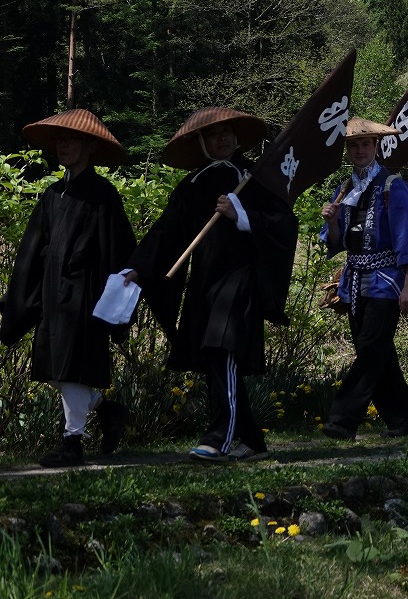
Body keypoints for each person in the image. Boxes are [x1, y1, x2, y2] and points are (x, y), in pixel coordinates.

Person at [125, 107, 298, 462]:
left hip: (241, 279)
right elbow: (165, 232)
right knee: (213, 357)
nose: (222, 139)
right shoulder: (191, 185)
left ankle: (220, 435)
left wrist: (243, 216)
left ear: (237, 138)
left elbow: (284, 225)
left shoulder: (256, 177)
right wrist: (137, 269)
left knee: (223, 349)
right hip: (204, 283)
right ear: (201, 141)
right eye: (214, 134)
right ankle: (251, 439)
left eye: (228, 133)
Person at [1, 110, 135, 468]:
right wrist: (23, 296)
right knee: (58, 368)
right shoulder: (52, 194)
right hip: (52, 295)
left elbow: (119, 249)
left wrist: (115, 298)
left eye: (71, 139)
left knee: (71, 368)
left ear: (89, 146)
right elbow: (34, 249)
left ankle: (72, 440)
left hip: (85, 296)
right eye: (60, 140)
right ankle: (107, 410)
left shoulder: (103, 195)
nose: (63, 145)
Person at [320, 117, 408, 440]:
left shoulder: (392, 186)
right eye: (354, 145)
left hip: (386, 281)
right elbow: (336, 241)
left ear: (376, 147)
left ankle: (342, 418)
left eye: (365, 144)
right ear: (348, 150)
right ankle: (404, 421)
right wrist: (333, 221)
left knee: (369, 350)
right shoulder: (346, 188)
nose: (360, 150)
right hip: (354, 283)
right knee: (379, 353)